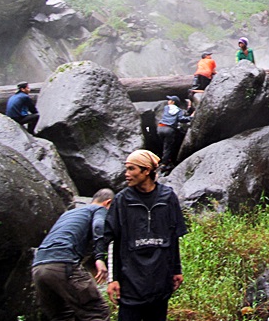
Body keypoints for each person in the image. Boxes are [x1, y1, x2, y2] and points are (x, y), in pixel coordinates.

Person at [104, 150, 187, 321]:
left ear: (146, 171)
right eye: (126, 169)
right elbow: (112, 240)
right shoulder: (121, 200)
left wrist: (176, 270)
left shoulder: (167, 197)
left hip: (160, 282)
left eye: (131, 169)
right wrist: (112, 280)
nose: (126, 174)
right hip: (130, 284)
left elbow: (173, 237)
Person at [32, 188, 115, 321]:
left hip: (38, 267)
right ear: (108, 203)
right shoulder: (99, 210)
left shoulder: (69, 214)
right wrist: (99, 258)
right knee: (96, 312)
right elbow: (99, 226)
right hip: (62, 264)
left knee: (62, 315)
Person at [157, 95, 192, 174]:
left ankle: (164, 159)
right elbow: (181, 119)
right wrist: (191, 117)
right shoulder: (179, 110)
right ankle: (164, 164)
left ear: (173, 102)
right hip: (169, 130)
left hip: (160, 128)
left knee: (163, 145)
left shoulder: (166, 108)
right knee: (168, 147)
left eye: (169, 100)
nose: (168, 101)